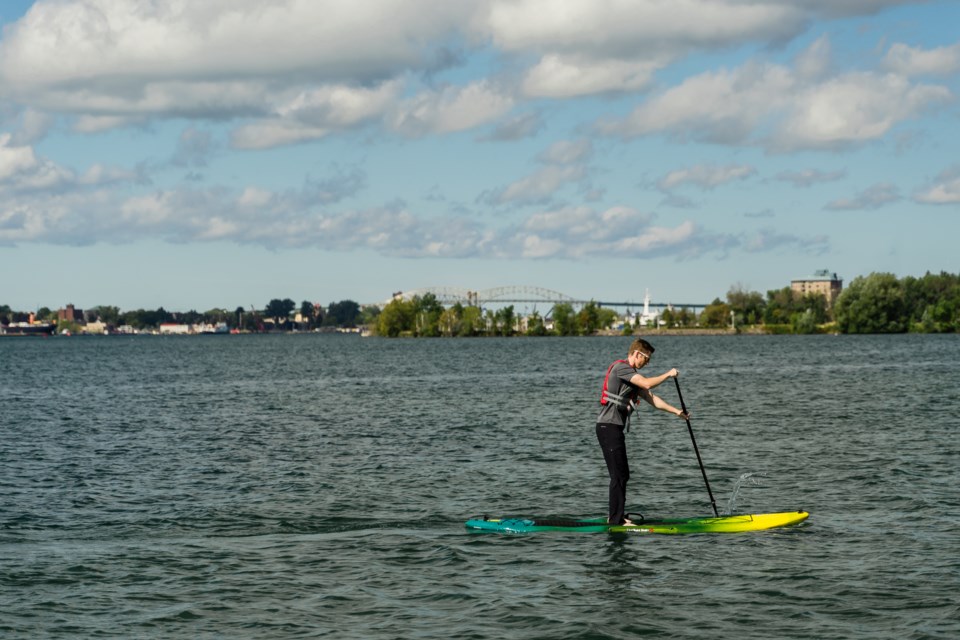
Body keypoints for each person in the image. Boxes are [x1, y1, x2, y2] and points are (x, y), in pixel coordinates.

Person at [597, 338, 689, 525]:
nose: (647, 363)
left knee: (623, 474)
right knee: (619, 474)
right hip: (608, 427)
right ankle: (616, 520)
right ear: (637, 354)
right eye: (646, 359)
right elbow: (647, 384)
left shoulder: (632, 376)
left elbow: (651, 398)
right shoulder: (621, 369)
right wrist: (668, 374)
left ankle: (616, 515)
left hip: (613, 428)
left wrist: (677, 412)